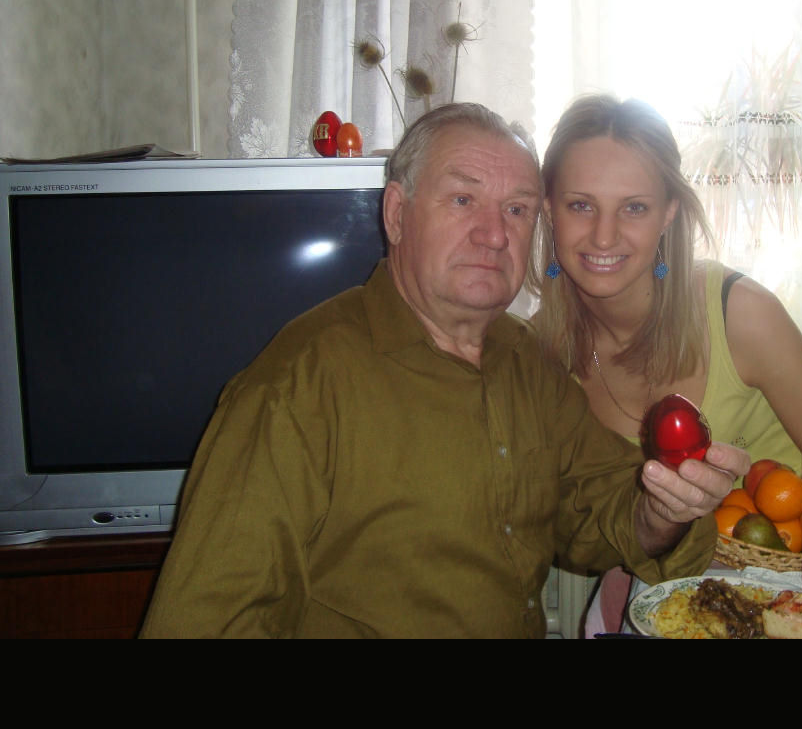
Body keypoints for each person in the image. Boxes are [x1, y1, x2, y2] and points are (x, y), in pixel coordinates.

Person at [140, 102, 749, 638]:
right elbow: (207, 619)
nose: (494, 235)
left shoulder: (527, 361)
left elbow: (596, 508)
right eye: (462, 200)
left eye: (516, 210)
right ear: (397, 214)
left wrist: (659, 513)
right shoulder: (297, 388)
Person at [527, 95, 802, 633]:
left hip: (790, 604)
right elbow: (575, 529)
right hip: (654, 603)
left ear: (669, 213)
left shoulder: (740, 314)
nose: (603, 236)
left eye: (634, 208)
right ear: (549, 209)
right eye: (581, 205)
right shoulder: (539, 355)